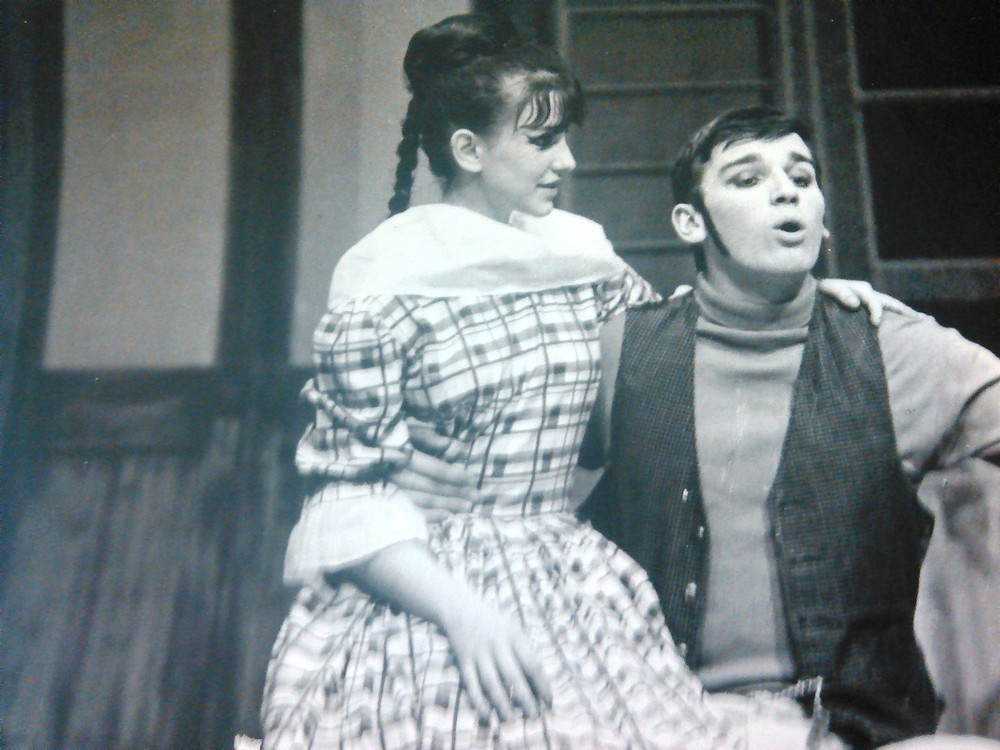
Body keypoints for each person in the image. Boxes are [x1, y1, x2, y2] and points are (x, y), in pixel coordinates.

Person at [256, 17, 901, 748]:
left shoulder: (577, 256)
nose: (566, 160)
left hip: (569, 579)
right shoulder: (385, 288)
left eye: (565, 137)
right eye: (542, 141)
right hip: (427, 593)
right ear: (469, 150)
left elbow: (671, 337)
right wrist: (464, 615)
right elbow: (345, 498)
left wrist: (807, 300)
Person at [577, 107, 1000, 749]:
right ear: (690, 221)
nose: (786, 192)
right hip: (652, 727)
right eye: (748, 179)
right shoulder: (621, 352)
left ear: (822, 217)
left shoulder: (893, 346)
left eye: (801, 177)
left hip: (856, 734)